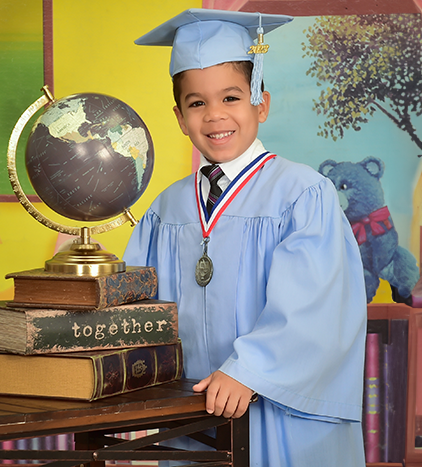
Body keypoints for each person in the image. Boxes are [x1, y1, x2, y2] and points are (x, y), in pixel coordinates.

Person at [123, 8, 367, 466]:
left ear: (261, 103)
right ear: (179, 117)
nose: (215, 116)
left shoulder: (301, 193)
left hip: (280, 413)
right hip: (189, 414)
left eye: (231, 98)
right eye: (197, 103)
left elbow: (317, 305)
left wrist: (249, 371)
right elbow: (139, 308)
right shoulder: (166, 209)